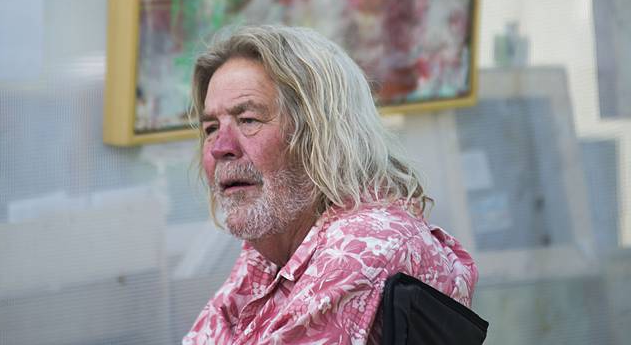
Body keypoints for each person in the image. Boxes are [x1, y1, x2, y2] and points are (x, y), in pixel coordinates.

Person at [183, 25, 477, 345]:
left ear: (319, 135)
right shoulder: (276, 237)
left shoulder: (365, 242)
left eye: (249, 120)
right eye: (211, 127)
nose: (219, 147)